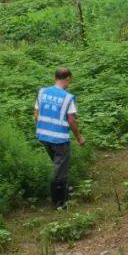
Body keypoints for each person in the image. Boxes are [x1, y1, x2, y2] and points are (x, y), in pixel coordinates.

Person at [34, 66, 85, 209]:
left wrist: (44, 129)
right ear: (67, 78)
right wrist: (79, 137)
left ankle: (64, 191)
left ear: (55, 77)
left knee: (58, 165)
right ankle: (59, 202)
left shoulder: (42, 92)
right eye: (70, 80)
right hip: (60, 139)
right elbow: (71, 120)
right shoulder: (68, 97)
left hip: (44, 137)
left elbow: (36, 114)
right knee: (59, 170)